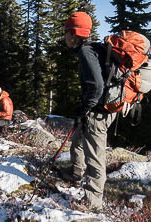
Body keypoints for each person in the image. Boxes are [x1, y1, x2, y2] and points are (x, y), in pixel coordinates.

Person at [62, 11, 117, 212]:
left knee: (95, 158)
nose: (64, 37)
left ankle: (92, 203)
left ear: (74, 34)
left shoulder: (86, 52)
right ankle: (76, 172)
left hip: (97, 112)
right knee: (77, 138)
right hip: (97, 108)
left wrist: (85, 108)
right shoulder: (93, 48)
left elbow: (97, 86)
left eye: (66, 32)